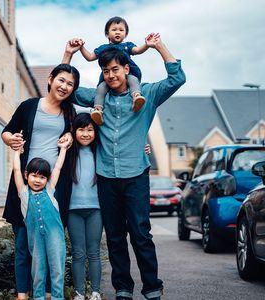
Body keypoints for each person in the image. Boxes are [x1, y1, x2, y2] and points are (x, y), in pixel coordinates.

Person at [62, 36, 186, 300]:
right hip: (106, 176)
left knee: (141, 233)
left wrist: (158, 46)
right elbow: (65, 88)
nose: (110, 75)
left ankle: (152, 287)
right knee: (116, 236)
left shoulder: (148, 95)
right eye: (105, 71)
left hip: (136, 175)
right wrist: (68, 55)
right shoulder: (98, 99)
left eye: (115, 69)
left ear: (126, 69)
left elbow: (178, 79)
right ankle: (123, 287)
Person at [1, 64, 79, 300]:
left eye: (70, 84)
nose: (64, 86)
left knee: (50, 245)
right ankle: (23, 294)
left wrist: (72, 135)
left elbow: (84, 134)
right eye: (61, 80)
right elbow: (6, 131)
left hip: (53, 188)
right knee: (24, 246)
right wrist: (11, 139)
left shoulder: (70, 114)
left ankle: (47, 294)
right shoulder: (29, 106)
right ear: (51, 78)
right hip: (25, 183)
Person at [12, 137, 71, 300]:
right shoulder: (23, 194)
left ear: (47, 179)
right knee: (38, 270)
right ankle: (38, 297)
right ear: (27, 175)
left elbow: (58, 167)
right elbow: (16, 170)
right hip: (36, 240)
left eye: (42, 177)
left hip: (55, 238)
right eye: (34, 176)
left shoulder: (50, 190)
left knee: (57, 269)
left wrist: (63, 149)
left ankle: (58, 297)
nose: (38, 180)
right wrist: (16, 153)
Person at [76, 16, 159, 125]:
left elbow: (138, 50)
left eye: (121, 30)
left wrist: (147, 45)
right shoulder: (103, 48)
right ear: (107, 33)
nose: (118, 32)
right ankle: (98, 110)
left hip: (127, 74)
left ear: (126, 33)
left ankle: (136, 98)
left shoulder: (127, 46)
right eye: (114, 30)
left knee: (133, 80)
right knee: (101, 89)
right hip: (109, 77)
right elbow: (90, 57)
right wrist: (81, 47)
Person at [67, 113, 102, 300]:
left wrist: (143, 149)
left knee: (94, 252)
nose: (86, 134)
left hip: (95, 209)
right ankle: (79, 293)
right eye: (81, 129)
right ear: (74, 131)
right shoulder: (68, 152)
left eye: (90, 130)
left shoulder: (100, 152)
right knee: (78, 253)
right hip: (74, 210)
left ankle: (95, 292)